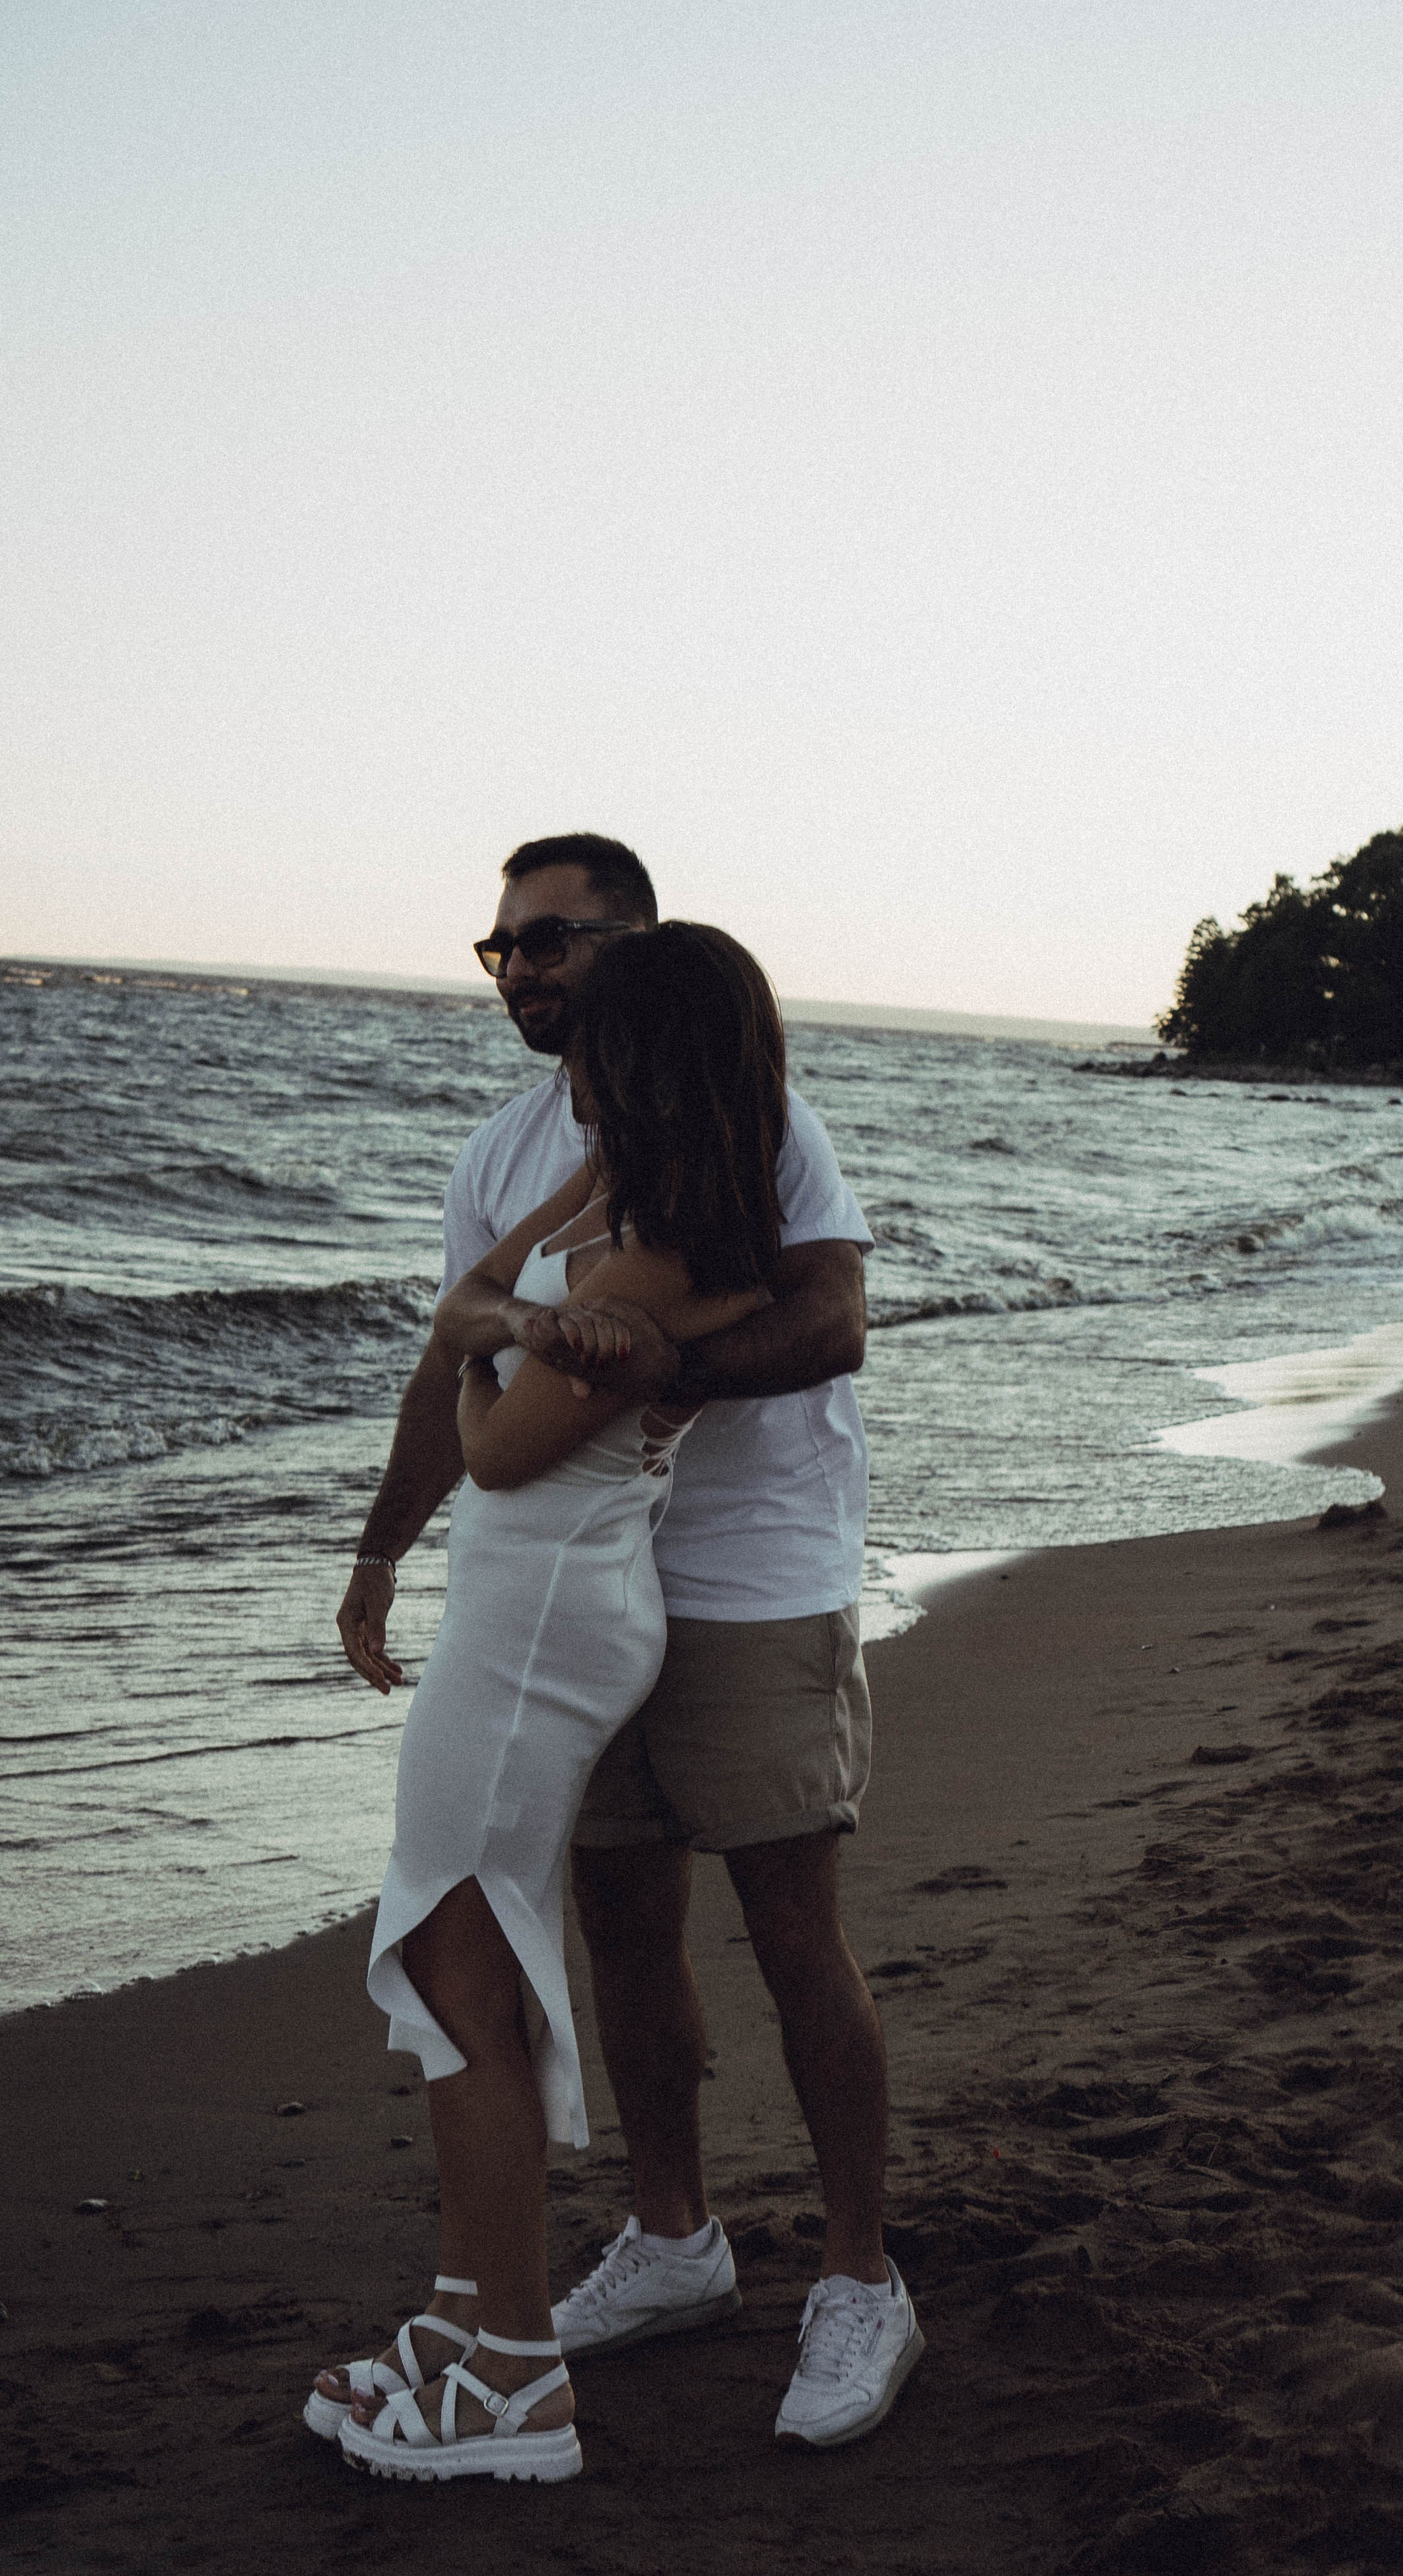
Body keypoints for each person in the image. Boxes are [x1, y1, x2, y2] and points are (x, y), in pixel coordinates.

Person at [329, 836, 921, 2454]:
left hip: (747, 1571)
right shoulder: (517, 1151)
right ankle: (672, 2240)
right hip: (583, 1584)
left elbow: (829, 1318)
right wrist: (383, 1541)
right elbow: (456, 1349)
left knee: (791, 1926)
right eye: (501, 946)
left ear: (637, 950)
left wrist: (638, 1375)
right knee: (620, 1925)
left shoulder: (756, 1125)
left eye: (556, 940)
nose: (524, 970)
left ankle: (861, 2275)